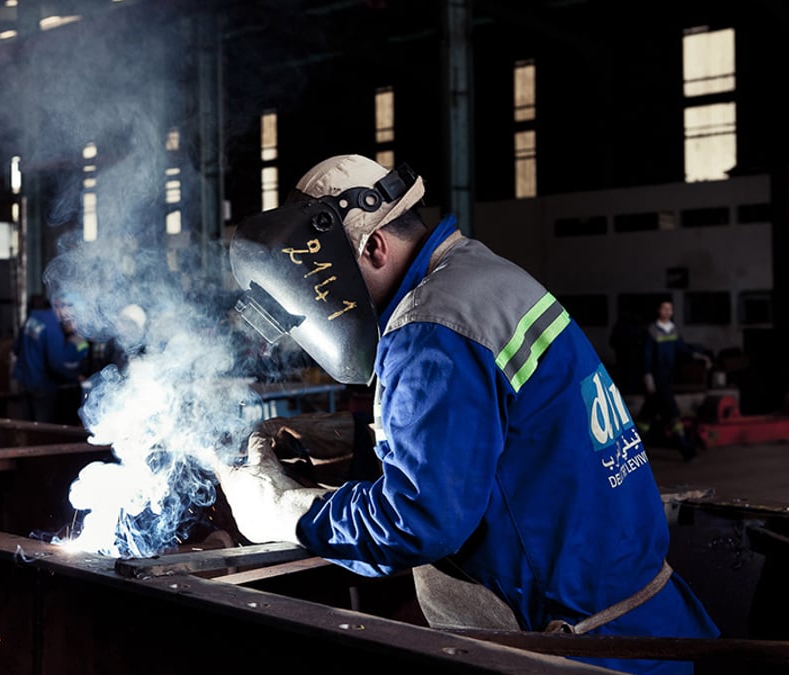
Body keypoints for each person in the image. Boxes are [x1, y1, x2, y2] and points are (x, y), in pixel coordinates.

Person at [218, 154, 718, 674]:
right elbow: (500, 433)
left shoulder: (430, 327)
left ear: (372, 247)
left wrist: (281, 510)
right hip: (653, 624)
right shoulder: (479, 277)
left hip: (583, 652)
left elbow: (417, 520)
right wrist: (355, 439)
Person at [638, 299, 712, 461]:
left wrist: (696, 355)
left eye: (670, 309)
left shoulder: (672, 329)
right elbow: (647, 354)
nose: (667, 312)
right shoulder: (652, 331)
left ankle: (636, 448)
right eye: (664, 308)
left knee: (648, 414)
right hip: (656, 377)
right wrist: (647, 375)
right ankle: (685, 449)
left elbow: (681, 348)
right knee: (672, 412)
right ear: (658, 310)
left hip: (666, 376)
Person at [11, 294, 89, 424]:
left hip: (24, 381)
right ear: (59, 306)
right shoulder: (53, 326)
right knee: (43, 428)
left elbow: (16, 348)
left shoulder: (34, 317)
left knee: (27, 424)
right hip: (42, 386)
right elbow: (56, 364)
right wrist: (77, 377)